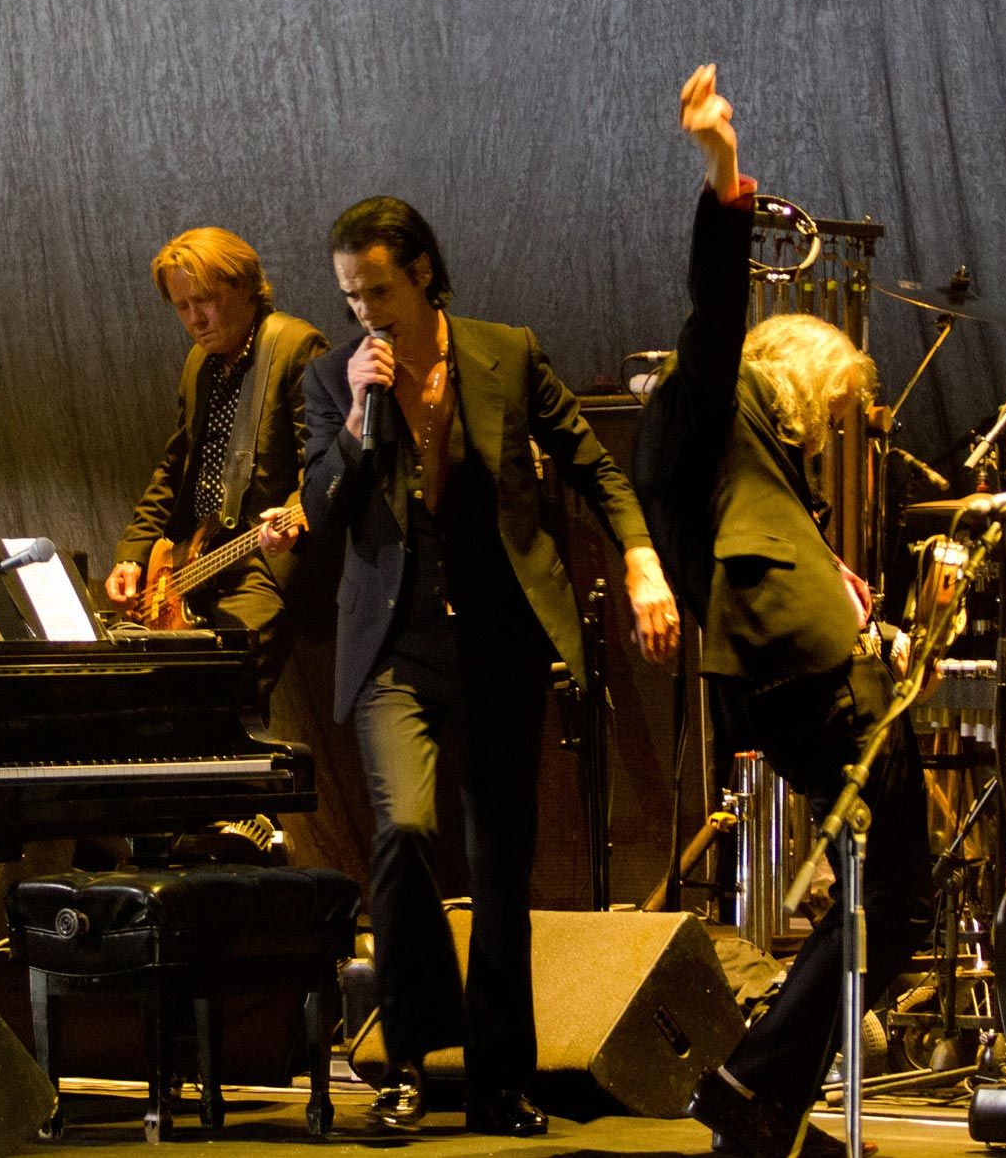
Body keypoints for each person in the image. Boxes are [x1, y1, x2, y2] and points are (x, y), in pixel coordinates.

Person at [299, 194, 681, 1136]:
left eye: (378, 289)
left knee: (501, 863)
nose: (364, 312)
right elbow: (319, 509)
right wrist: (356, 419)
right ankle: (409, 1059)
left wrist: (639, 557)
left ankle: (500, 1078)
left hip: (501, 639)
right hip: (397, 644)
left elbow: (591, 465)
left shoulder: (505, 352)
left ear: (422, 271)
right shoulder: (331, 378)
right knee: (404, 832)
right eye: (350, 295)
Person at [634, 65, 932, 1158]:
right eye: (836, 404)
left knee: (882, 888)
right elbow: (717, 304)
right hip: (800, 666)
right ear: (797, 372)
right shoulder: (709, 403)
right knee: (896, 891)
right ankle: (754, 1083)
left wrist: (866, 613)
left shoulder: (741, 468)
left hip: (789, 663)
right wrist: (721, 171)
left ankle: (760, 1096)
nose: (830, 428)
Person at [107, 226, 326, 695]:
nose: (193, 319)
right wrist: (133, 554)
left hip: (259, 565)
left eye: (203, 300)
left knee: (218, 697)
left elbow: (323, 468)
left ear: (244, 285)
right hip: (193, 561)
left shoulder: (293, 346)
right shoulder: (197, 362)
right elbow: (174, 467)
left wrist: (292, 520)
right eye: (181, 307)